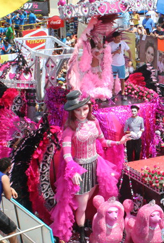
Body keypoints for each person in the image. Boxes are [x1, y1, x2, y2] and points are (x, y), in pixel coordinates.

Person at [51, 90, 130, 242]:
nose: (82, 113)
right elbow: (67, 154)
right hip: (80, 170)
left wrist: (118, 142)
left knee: (94, 199)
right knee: (82, 205)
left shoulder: (94, 123)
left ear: (89, 108)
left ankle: (97, 227)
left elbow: (102, 141)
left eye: (85, 109)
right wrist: (73, 170)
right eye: (78, 110)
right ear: (72, 111)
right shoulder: (69, 130)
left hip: (96, 165)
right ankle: (81, 236)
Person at [109, 32, 130, 100]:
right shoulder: (110, 45)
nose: (119, 39)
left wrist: (129, 60)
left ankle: (123, 92)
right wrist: (115, 52)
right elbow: (107, 56)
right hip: (113, 65)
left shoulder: (123, 43)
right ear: (114, 38)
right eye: (118, 38)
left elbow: (129, 51)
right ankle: (113, 92)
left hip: (121, 65)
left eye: (120, 37)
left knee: (122, 79)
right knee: (113, 79)